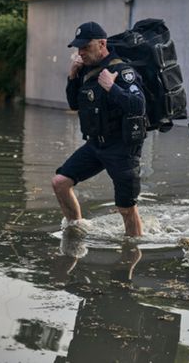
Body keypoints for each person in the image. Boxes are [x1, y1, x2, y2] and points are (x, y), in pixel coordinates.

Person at [52, 21, 145, 237]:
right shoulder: (87, 70)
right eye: (79, 48)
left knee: (126, 209)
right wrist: (72, 77)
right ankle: (76, 228)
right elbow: (74, 104)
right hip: (95, 145)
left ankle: (131, 253)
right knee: (60, 182)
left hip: (122, 148)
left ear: (102, 43)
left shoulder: (123, 71)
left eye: (86, 47)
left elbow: (138, 105)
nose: (80, 52)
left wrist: (112, 88)